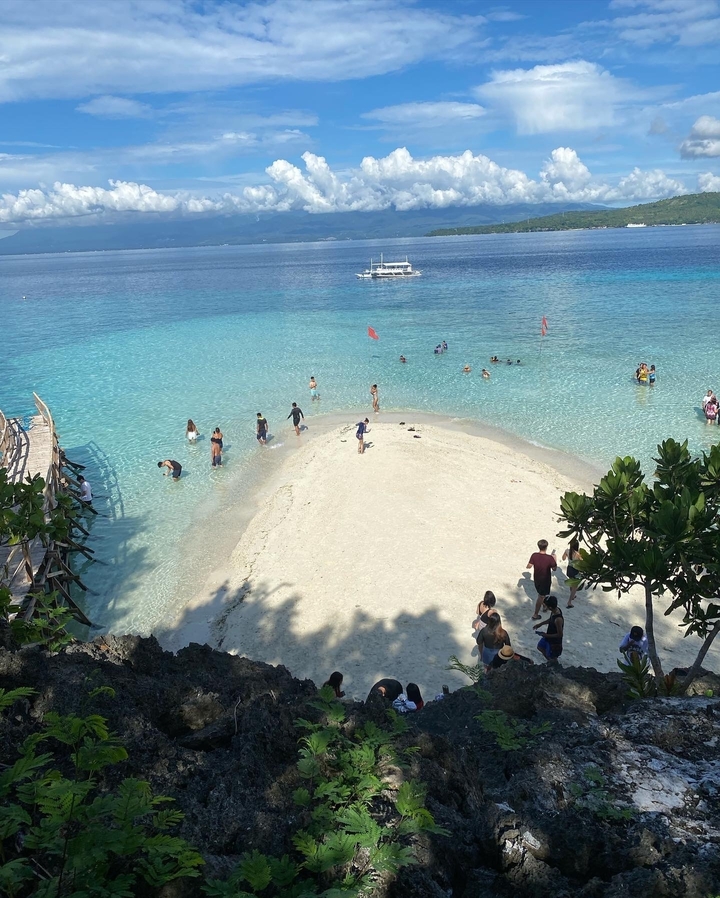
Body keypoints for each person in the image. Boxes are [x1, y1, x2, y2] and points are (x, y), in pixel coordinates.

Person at [527, 540, 557, 619]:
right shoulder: (550, 558)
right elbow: (554, 569)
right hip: (545, 580)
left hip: (537, 579)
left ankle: (544, 606)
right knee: (541, 596)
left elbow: (529, 566)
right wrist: (555, 559)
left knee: (541, 594)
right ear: (546, 547)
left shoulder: (534, 555)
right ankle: (535, 614)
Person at [533, 595, 564, 661]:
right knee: (540, 647)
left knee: (553, 656)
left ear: (550, 607)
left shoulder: (558, 620)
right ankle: (549, 660)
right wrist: (540, 624)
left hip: (554, 642)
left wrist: (546, 635)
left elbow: (560, 634)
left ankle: (552, 663)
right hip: (548, 637)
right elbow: (550, 620)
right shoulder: (555, 610)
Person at [562, 538, 582, 608]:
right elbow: (582, 562)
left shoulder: (567, 551)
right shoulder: (578, 554)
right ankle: (569, 601)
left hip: (569, 569)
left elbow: (563, 558)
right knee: (575, 587)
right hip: (575, 570)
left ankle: (572, 596)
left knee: (571, 582)